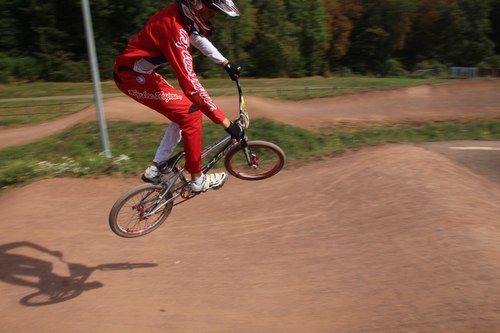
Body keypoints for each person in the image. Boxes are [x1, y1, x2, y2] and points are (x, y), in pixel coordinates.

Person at [113, 0, 244, 193]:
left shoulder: (178, 15)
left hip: (141, 75)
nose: (213, 16)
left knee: (182, 110)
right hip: (133, 79)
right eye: (211, 11)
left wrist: (224, 63)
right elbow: (191, 86)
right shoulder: (175, 32)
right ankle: (197, 180)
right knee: (191, 114)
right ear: (196, 8)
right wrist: (226, 124)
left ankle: (155, 169)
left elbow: (197, 37)